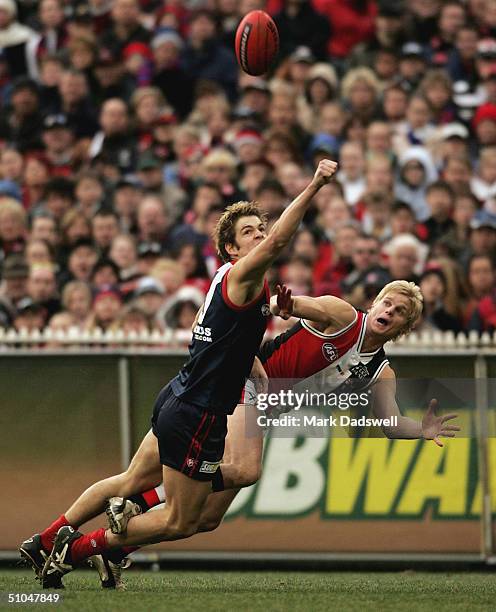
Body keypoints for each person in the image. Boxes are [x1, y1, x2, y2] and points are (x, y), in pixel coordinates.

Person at [20, 159, 338, 588]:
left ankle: (42, 540)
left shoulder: (232, 277)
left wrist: (254, 365)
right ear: (230, 249)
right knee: (182, 520)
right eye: (249, 233)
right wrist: (315, 183)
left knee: (130, 481)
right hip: (198, 411)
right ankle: (74, 548)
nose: (261, 236)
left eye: (260, 230)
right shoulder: (244, 275)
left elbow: (211, 334)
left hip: (179, 394)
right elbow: (283, 238)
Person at [91, 279, 460, 589]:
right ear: (376, 301)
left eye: (398, 313)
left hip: (262, 413)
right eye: (387, 303)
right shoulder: (344, 315)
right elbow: (284, 304)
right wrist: (283, 308)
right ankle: (140, 501)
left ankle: (115, 549)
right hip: (245, 382)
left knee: (206, 519)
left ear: (403, 328)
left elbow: (391, 423)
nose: (389, 313)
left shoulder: (381, 371)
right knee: (245, 469)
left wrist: (421, 429)